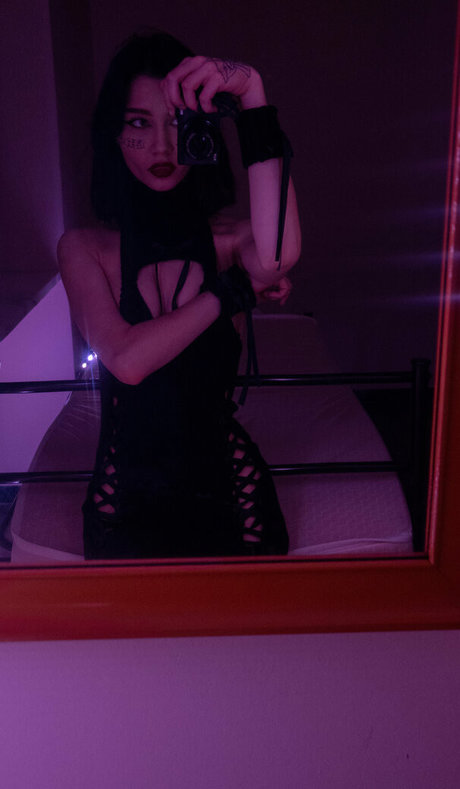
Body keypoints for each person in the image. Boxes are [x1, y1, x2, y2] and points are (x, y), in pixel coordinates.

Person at [57, 30, 301, 559]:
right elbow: (127, 361)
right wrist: (232, 292)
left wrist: (253, 94)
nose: (163, 147)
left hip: (232, 495)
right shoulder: (84, 248)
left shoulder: (231, 239)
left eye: (177, 122)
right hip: (123, 505)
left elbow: (279, 256)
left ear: (203, 131)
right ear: (113, 134)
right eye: (139, 123)